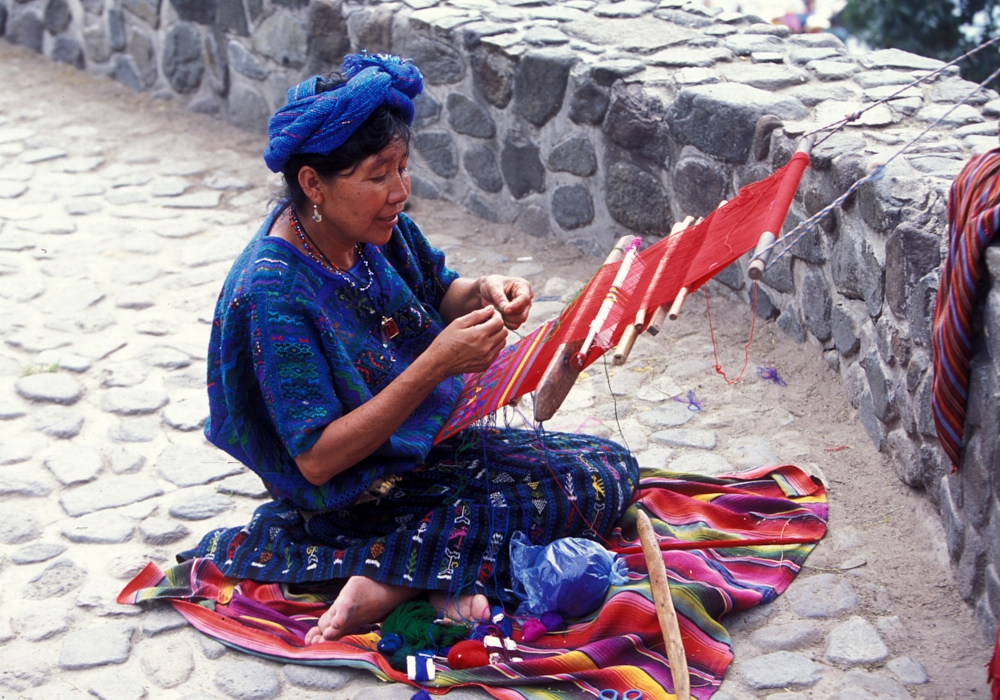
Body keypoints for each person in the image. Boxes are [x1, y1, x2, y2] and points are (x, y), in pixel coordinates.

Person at [185, 53, 639, 646]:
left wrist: (484, 291)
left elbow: (439, 291)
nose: (400, 191)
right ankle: (392, 575)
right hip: (352, 500)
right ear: (313, 184)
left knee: (602, 468)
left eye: (402, 168)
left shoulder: (379, 228)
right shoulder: (273, 292)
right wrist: (434, 366)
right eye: (378, 175)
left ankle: (405, 573)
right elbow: (318, 461)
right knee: (541, 497)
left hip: (425, 449)